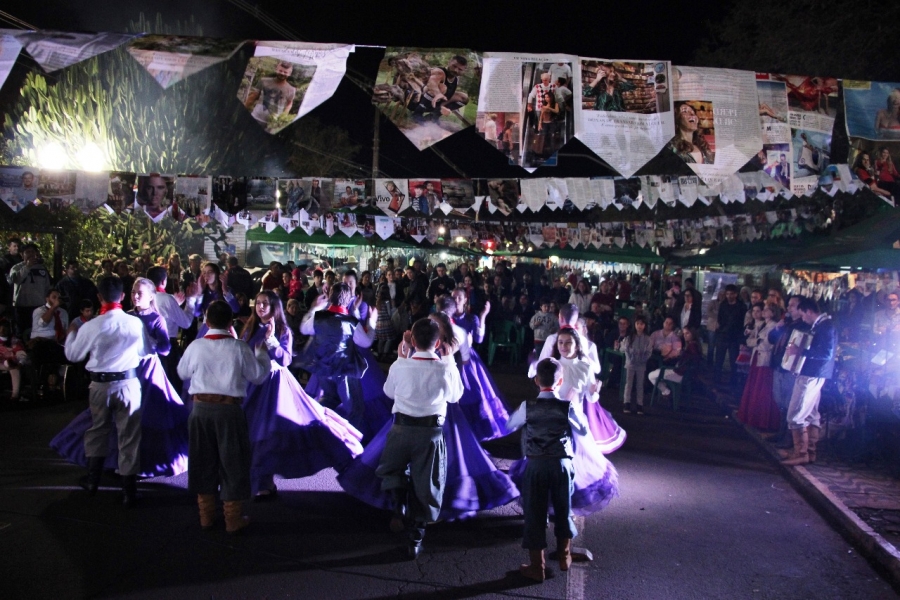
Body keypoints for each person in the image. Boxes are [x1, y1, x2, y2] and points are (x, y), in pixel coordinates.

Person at [51, 278, 190, 479]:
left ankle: (128, 472)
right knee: (116, 423)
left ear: (151, 296)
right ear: (125, 295)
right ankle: (114, 468)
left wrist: (150, 344)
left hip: (145, 371)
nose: (136, 296)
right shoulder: (129, 317)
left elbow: (165, 348)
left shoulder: (153, 318)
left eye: (140, 293)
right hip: (127, 370)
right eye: (134, 292)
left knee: (143, 417)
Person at [241, 290, 363, 500]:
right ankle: (261, 481)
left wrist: (271, 341)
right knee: (253, 431)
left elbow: (285, 360)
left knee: (274, 432)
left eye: (265, 304)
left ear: (274, 307)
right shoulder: (250, 328)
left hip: (275, 386)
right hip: (253, 385)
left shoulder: (282, 330)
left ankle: (265, 481)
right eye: (258, 303)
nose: (260, 307)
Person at [177, 300, 270, 533]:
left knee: (202, 461)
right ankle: (232, 519)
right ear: (231, 322)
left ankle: (206, 516)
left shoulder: (196, 346)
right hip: (229, 412)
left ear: (207, 321)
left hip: (200, 411)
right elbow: (258, 376)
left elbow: (182, 372)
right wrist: (262, 355)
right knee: (233, 463)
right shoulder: (239, 347)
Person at [377, 318, 464, 558]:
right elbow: (456, 396)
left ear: (412, 341)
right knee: (428, 485)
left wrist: (400, 357)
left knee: (391, 470)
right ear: (438, 344)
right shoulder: (444, 367)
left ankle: (399, 503)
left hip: (401, 429)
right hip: (430, 434)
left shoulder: (400, 366)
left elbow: (388, 392)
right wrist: (449, 359)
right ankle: (415, 539)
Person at [63, 276, 152, 507]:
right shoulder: (134, 323)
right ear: (122, 296)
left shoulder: (91, 325)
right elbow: (145, 351)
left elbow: (72, 355)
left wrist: (73, 332)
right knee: (129, 436)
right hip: (128, 384)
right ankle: (128, 491)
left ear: (99, 297)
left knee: (98, 430)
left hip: (100, 385)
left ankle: (93, 481)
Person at [505, 357, 590, 582]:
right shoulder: (566, 406)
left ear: (536, 380)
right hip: (561, 464)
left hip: (536, 464)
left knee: (535, 512)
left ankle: (537, 566)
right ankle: (564, 556)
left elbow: (510, 425)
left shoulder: (528, 406)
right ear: (560, 381)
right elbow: (582, 430)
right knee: (563, 509)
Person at [300, 283, 376, 431]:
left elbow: (304, 329)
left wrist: (314, 308)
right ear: (348, 301)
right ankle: (350, 445)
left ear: (330, 297)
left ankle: (313, 426)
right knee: (355, 408)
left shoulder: (319, 317)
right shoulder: (350, 322)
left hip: (324, 369)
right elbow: (366, 342)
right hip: (345, 370)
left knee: (330, 398)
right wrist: (372, 322)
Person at [779, 297, 837, 465]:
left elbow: (826, 354)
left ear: (809, 311)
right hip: (815, 374)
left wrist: (801, 351)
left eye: (803, 315)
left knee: (795, 414)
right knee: (811, 414)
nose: (802, 318)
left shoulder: (826, 326)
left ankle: (800, 453)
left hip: (812, 374)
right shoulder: (823, 325)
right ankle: (809, 452)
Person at [738, 304, 782, 431]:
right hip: (757, 358)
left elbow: (766, 345)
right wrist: (756, 341)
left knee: (761, 389)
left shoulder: (773, 326)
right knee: (754, 387)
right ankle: (752, 416)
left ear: (772, 313)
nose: (763, 311)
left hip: (764, 360)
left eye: (766, 309)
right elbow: (751, 341)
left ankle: (760, 419)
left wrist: (756, 341)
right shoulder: (762, 325)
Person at [409, 55, 470, 124]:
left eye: (460, 69)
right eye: (454, 66)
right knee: (442, 87)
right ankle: (417, 114)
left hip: (437, 102)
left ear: (464, 70)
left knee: (464, 97)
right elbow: (432, 82)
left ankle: (433, 115)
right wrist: (437, 93)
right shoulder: (440, 72)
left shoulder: (456, 78)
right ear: (449, 62)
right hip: (418, 100)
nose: (456, 70)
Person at [8, 243, 51, 335]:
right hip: (22, 307)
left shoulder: (42, 268)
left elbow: (47, 287)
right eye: (28, 252)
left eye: (33, 251)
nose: (31, 254)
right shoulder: (16, 268)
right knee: (23, 332)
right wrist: (27, 266)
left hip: (39, 306)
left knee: (38, 332)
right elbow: (16, 280)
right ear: (22, 254)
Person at [648, 327, 702, 397]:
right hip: (683, 373)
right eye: (684, 333)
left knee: (651, 376)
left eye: (687, 333)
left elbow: (688, 360)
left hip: (680, 373)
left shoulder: (692, 347)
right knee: (658, 371)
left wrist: (680, 355)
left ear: (693, 334)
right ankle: (665, 392)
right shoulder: (693, 346)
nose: (685, 335)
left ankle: (667, 392)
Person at [244, 60, 297, 128]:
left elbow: (289, 103)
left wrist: (283, 117)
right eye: (280, 71)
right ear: (276, 69)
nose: (282, 73)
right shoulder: (264, 81)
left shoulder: (291, 89)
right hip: (255, 117)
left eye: (285, 72)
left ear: (289, 74)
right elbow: (252, 96)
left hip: (272, 124)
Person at [714, 284, 747, 385]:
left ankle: (733, 382)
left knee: (734, 361)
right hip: (723, 335)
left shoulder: (741, 306)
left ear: (736, 294)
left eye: (731, 294)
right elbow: (720, 318)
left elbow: (742, 322)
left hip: (734, 336)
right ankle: (717, 380)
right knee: (719, 359)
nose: (729, 296)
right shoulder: (723, 305)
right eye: (727, 294)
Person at [621, 316, 652, 414]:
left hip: (641, 365)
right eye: (638, 323)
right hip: (631, 364)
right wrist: (631, 359)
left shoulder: (647, 339)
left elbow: (648, 352)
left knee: (640, 385)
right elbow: (625, 349)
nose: (639, 326)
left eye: (642, 324)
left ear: (645, 326)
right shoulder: (629, 337)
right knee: (628, 384)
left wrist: (642, 360)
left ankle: (639, 404)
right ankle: (627, 402)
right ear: (634, 325)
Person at [0, 318, 27, 401]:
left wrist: (20, 363)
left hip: (11, 364)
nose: (3, 330)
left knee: (14, 368)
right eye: (1, 327)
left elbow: (21, 353)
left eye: (6, 327)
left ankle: (15, 396)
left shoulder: (14, 341)